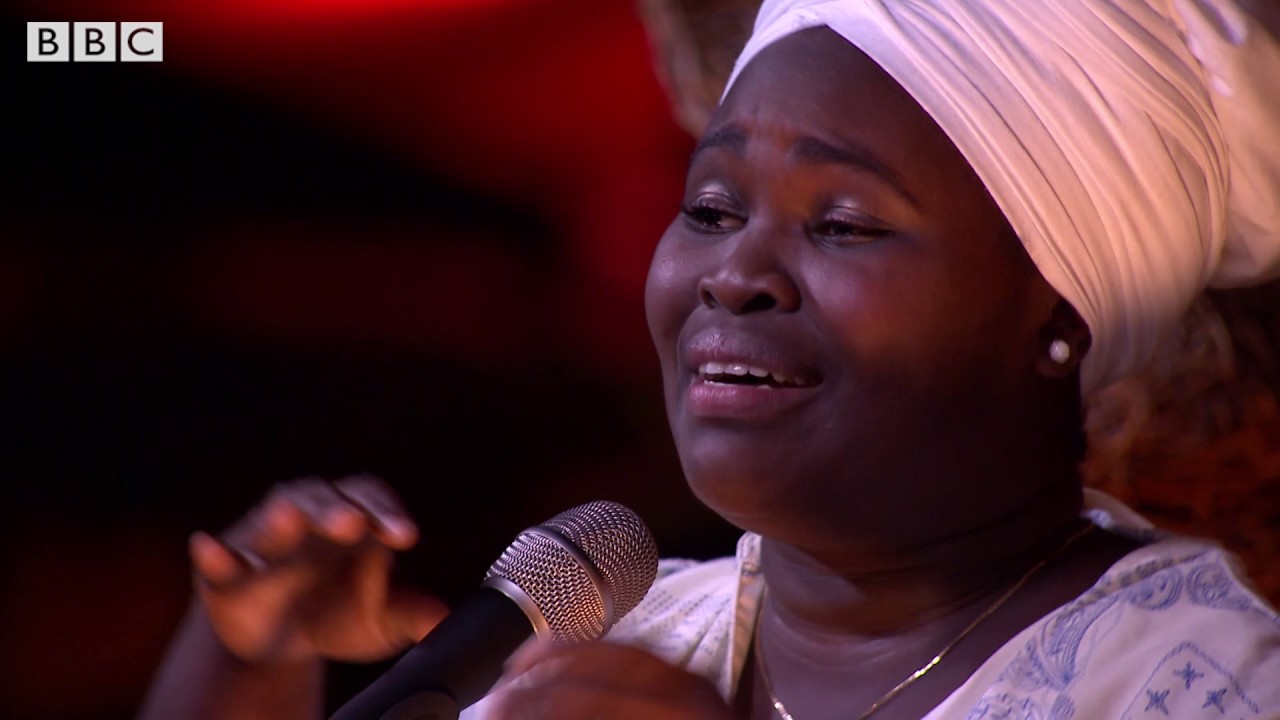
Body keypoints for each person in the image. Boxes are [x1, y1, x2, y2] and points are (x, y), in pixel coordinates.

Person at [139, 0, 1280, 717]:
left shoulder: (1205, 679)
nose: (735, 273)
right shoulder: (610, 645)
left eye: (841, 224)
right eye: (711, 205)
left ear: (1054, 321)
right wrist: (245, 663)